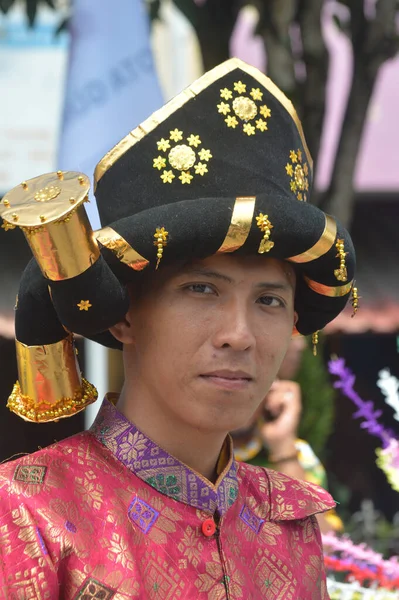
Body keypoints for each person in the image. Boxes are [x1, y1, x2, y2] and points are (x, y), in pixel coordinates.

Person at [0, 58, 355, 598]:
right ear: (124, 315)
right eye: (202, 289)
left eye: (268, 300)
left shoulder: (291, 524)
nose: (239, 334)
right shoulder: (28, 517)